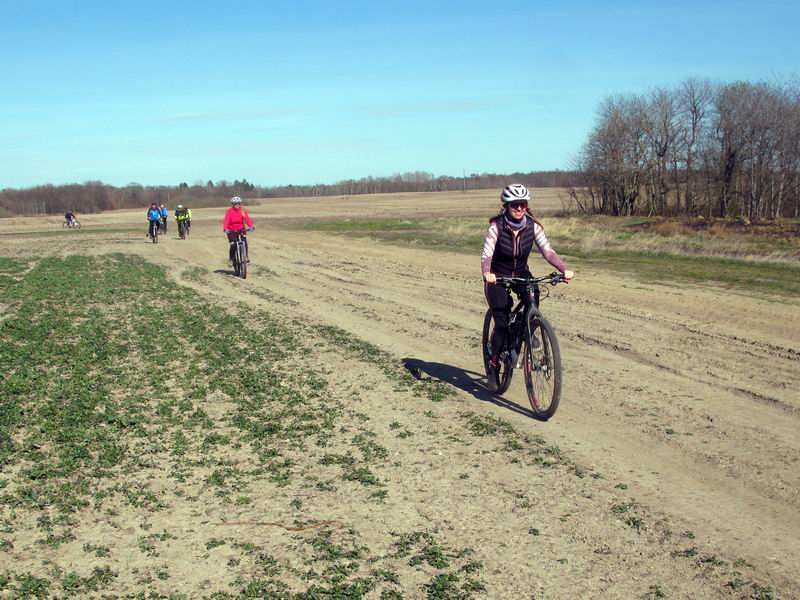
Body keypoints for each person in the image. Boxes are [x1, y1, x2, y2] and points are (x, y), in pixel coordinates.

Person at [481, 184, 574, 385]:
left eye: (523, 204)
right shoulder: (496, 226)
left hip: (521, 273)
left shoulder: (533, 226)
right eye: (515, 204)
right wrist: (487, 273)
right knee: (502, 323)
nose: (520, 208)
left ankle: (527, 329)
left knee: (534, 293)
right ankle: (494, 363)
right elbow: (487, 254)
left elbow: (548, 252)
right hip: (497, 276)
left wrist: (563, 269)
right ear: (506, 206)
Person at [222, 196, 254, 264]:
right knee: (233, 244)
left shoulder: (242, 210)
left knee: (244, 242)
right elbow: (226, 220)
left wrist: (251, 226)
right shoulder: (229, 211)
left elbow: (247, 219)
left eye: (238, 203)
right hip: (231, 230)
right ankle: (231, 259)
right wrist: (225, 228)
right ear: (232, 204)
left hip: (241, 229)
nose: (237, 205)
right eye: (235, 203)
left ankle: (246, 257)